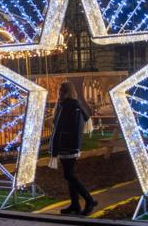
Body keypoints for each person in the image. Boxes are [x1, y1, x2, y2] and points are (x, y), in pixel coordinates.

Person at [50, 82, 97, 216]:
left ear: (66, 92)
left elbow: (73, 127)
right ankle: (75, 204)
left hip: (68, 145)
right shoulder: (66, 105)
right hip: (66, 144)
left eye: (61, 90)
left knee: (69, 175)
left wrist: (70, 144)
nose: (59, 93)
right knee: (69, 175)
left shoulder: (71, 106)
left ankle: (89, 200)